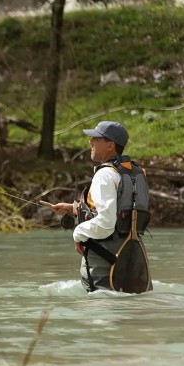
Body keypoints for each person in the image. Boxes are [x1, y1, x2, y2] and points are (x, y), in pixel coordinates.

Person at [50, 120, 151, 292]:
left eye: (96, 139)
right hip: (135, 258)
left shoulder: (105, 175)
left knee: (100, 306)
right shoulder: (137, 173)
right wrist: (74, 209)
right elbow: (122, 212)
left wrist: (78, 233)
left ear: (110, 145)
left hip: (106, 259)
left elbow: (106, 223)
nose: (91, 142)